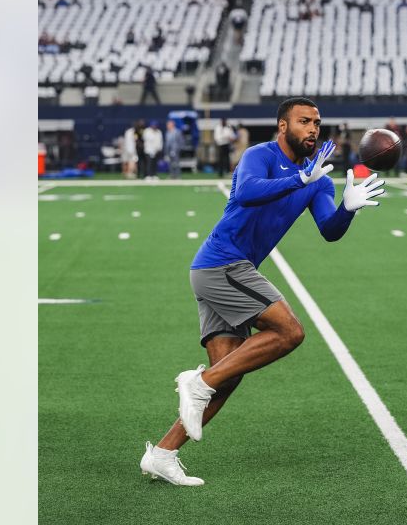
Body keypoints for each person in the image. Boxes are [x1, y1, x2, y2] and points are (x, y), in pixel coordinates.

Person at [138, 97, 387, 486]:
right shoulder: (260, 154)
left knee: (229, 374)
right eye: (304, 121)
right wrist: (298, 180)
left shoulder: (317, 177)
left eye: (317, 123)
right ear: (283, 126)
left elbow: (329, 230)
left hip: (229, 271)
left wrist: (348, 209)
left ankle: (164, 453)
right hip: (223, 264)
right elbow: (247, 192)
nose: (313, 129)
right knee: (290, 332)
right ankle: (197, 383)